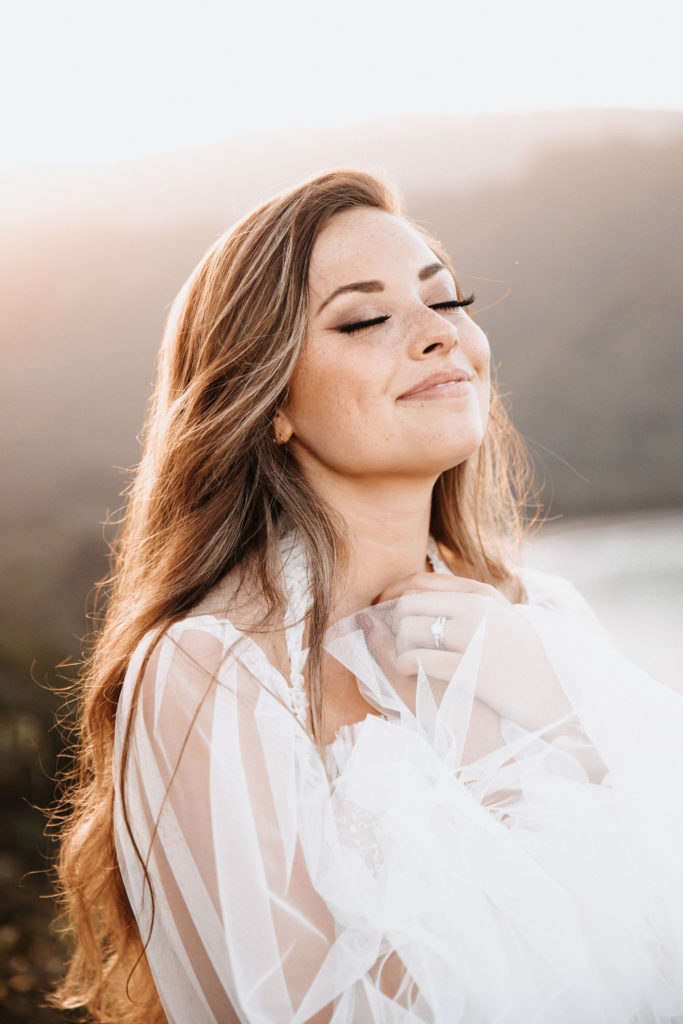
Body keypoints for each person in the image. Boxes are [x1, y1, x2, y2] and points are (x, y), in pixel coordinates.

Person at [52, 169, 683, 1024]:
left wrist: (566, 714)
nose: (438, 336)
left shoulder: (540, 622)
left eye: (448, 301)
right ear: (269, 401)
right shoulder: (214, 671)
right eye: (365, 318)